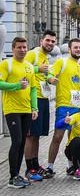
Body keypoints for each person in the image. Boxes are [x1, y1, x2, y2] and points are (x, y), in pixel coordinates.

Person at [0, 37, 39, 188]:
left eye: (24, 47)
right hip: (12, 109)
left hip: (26, 109)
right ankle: (12, 177)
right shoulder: (6, 64)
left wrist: (34, 107)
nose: (22, 50)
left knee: (22, 142)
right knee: (16, 141)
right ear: (13, 48)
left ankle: (17, 175)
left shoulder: (29, 66)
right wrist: (16, 86)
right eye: (19, 47)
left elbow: (33, 88)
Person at [46, 38, 80, 178]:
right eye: (75, 47)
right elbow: (50, 74)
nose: (78, 50)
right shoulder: (61, 62)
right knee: (58, 136)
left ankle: (72, 165)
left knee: (73, 139)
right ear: (69, 49)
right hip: (64, 106)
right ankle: (50, 167)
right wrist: (51, 79)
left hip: (77, 107)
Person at [24, 30, 57, 180]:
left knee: (37, 135)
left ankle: (35, 165)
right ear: (41, 41)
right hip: (33, 98)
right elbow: (23, 70)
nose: (50, 43)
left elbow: (46, 73)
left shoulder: (46, 57)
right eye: (48, 40)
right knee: (30, 135)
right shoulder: (33, 54)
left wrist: (50, 78)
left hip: (43, 97)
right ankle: (29, 168)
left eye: (52, 42)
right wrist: (38, 69)